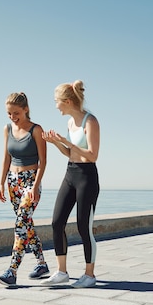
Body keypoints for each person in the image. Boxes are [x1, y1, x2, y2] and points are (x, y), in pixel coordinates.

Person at [41, 80, 100, 288]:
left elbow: (93, 155)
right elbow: (70, 153)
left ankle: (89, 274)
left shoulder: (90, 121)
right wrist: (57, 142)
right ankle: (62, 271)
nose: (55, 105)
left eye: (56, 102)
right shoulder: (69, 124)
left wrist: (68, 143)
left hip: (87, 177)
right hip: (70, 173)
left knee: (85, 227)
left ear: (67, 101)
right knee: (57, 222)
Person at [0, 92, 50, 286]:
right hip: (13, 181)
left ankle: (12, 270)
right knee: (26, 223)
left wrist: (35, 187)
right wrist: (1, 182)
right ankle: (42, 264)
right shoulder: (7, 129)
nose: (12, 117)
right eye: (9, 113)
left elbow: (43, 161)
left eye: (16, 112)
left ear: (26, 109)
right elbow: (6, 158)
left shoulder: (36, 129)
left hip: (31, 181)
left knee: (20, 224)